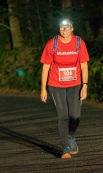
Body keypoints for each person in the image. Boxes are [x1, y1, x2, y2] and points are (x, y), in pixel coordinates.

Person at [40, 18, 89, 159]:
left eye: (67, 28)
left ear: (72, 29)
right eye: (62, 28)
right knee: (63, 116)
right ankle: (66, 147)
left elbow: (84, 66)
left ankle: (71, 135)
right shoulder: (52, 44)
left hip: (75, 84)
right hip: (56, 84)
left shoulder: (79, 43)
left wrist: (84, 86)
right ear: (59, 29)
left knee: (75, 116)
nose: (64, 30)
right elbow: (46, 67)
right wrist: (43, 89)